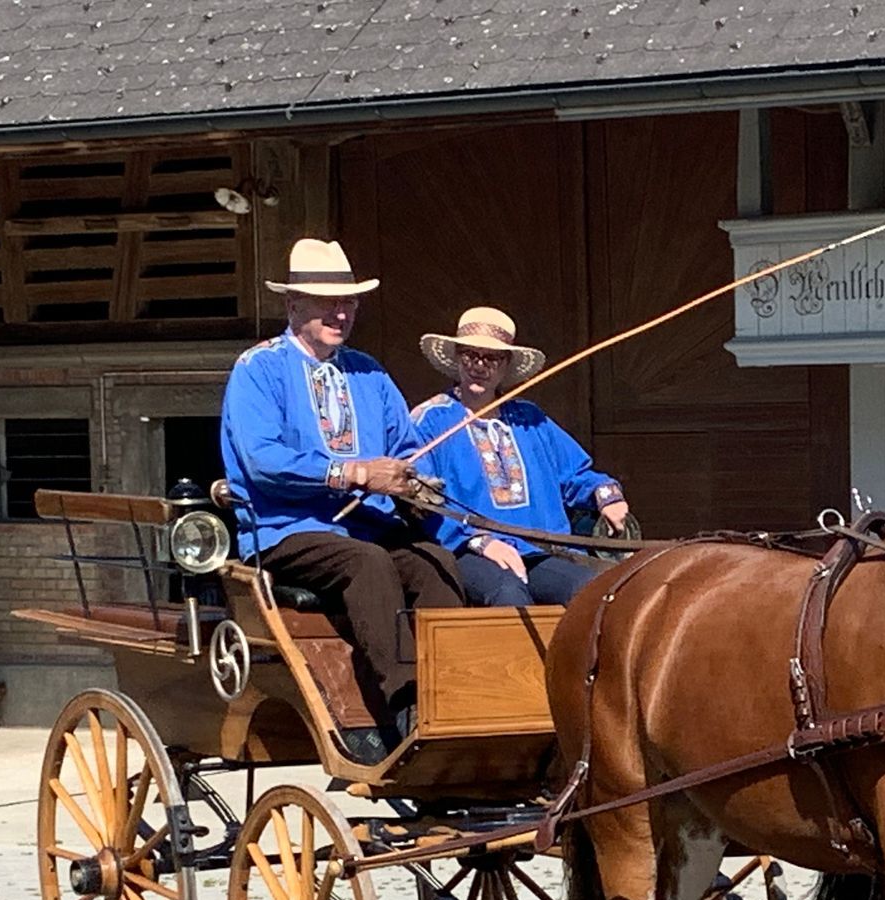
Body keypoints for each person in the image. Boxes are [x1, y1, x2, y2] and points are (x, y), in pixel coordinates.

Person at [220, 238, 465, 764]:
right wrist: (351, 472)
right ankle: (406, 709)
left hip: (369, 527)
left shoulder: (369, 373)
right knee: (368, 564)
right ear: (293, 307)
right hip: (286, 530)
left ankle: (455, 700)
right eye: (326, 303)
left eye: (349, 303)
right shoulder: (258, 369)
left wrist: (416, 479)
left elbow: (406, 449)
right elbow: (263, 459)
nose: (340, 312)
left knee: (436, 563)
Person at [410, 307, 629, 606]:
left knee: (593, 590)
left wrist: (606, 495)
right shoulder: (431, 420)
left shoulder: (530, 418)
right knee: (508, 592)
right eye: (470, 355)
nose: (479, 366)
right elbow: (419, 498)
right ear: (457, 357)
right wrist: (479, 541)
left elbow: (576, 474)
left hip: (541, 549)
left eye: (492, 357)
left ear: (506, 365)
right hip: (468, 550)